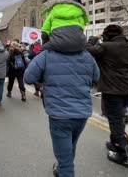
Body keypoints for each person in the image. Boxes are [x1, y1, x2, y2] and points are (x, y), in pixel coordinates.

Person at [24, 23, 99, 177]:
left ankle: (63, 170)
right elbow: (96, 77)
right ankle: (60, 169)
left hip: (59, 115)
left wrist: (45, 76)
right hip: (82, 113)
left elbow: (28, 77)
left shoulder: (46, 55)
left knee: (65, 161)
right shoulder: (87, 56)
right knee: (70, 147)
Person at [86, 25, 128, 169]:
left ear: (107, 35)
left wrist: (94, 38)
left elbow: (87, 48)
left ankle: (126, 156)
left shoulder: (105, 47)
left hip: (112, 89)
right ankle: (115, 143)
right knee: (118, 117)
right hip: (127, 88)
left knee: (115, 121)